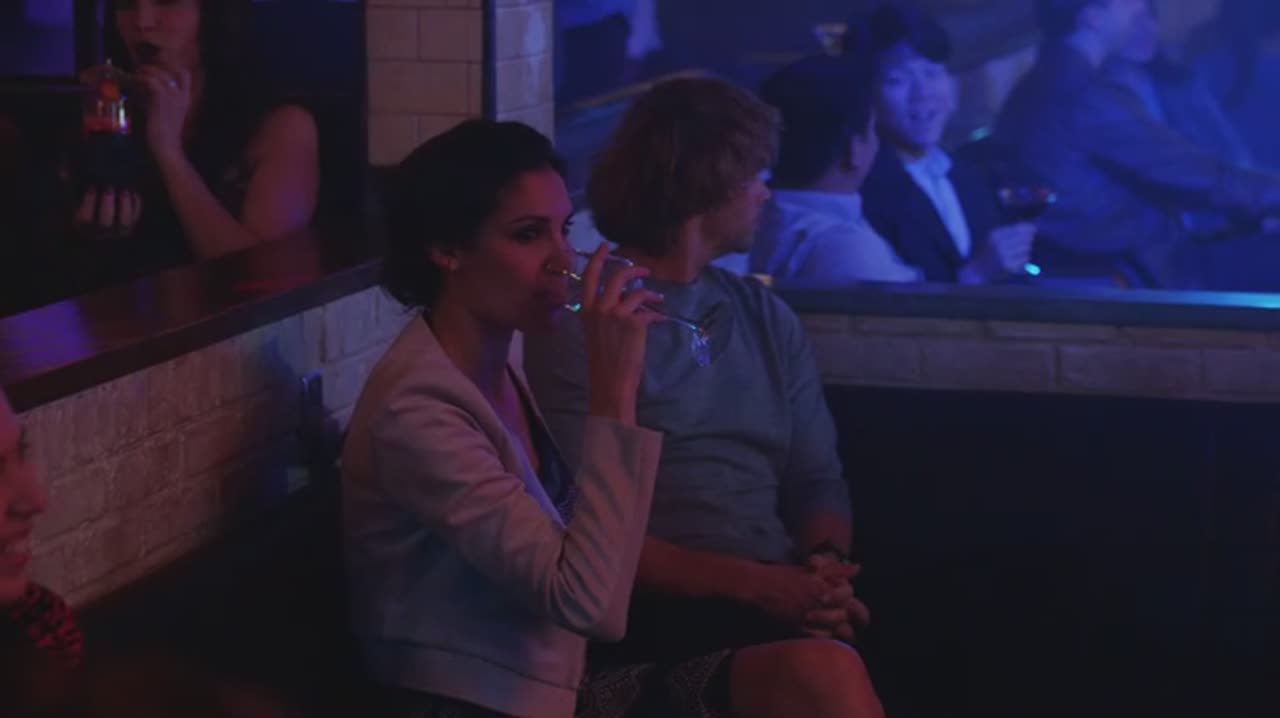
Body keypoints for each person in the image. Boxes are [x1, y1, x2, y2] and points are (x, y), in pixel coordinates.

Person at [525, 78, 885, 718]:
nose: (766, 193)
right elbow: (581, 526)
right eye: (756, 177)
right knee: (821, 672)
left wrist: (825, 571)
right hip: (646, 619)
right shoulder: (586, 322)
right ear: (708, 184)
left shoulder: (764, 316)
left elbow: (817, 479)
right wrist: (764, 588)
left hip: (775, 597)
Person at [342, 119, 667, 718]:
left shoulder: (501, 358)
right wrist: (614, 388)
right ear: (447, 250)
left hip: (560, 686)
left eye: (564, 230)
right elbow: (589, 605)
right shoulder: (416, 411)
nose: (563, 261)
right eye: (528, 235)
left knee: (809, 671)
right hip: (472, 701)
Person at [994, 0, 1280, 290]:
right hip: (1146, 274)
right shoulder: (1082, 94)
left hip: (1129, 266)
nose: (1139, 6)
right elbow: (1192, 174)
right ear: (1092, 17)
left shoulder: (1043, 83)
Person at [71, 0, 319, 284]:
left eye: (166, 2)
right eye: (126, 4)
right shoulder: (106, 113)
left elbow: (264, 279)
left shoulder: (281, 125)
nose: (142, 22)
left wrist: (169, 152)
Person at [854, 4, 1037, 284]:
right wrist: (976, 273)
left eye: (932, 73)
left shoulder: (971, 178)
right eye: (898, 79)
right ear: (869, 95)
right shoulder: (861, 191)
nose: (923, 93)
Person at [749, 53, 921, 283]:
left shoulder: (752, 222)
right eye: (873, 130)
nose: (877, 143)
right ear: (854, 149)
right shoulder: (848, 248)